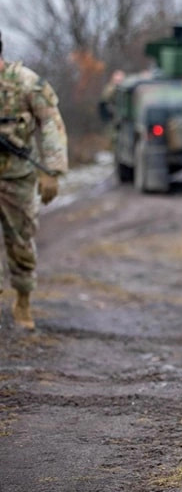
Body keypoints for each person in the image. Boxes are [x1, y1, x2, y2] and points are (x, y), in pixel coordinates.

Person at [0, 29, 68, 331]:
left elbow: (51, 123)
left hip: (17, 177)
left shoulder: (27, 83)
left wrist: (52, 170)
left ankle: (23, 300)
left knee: (21, 241)